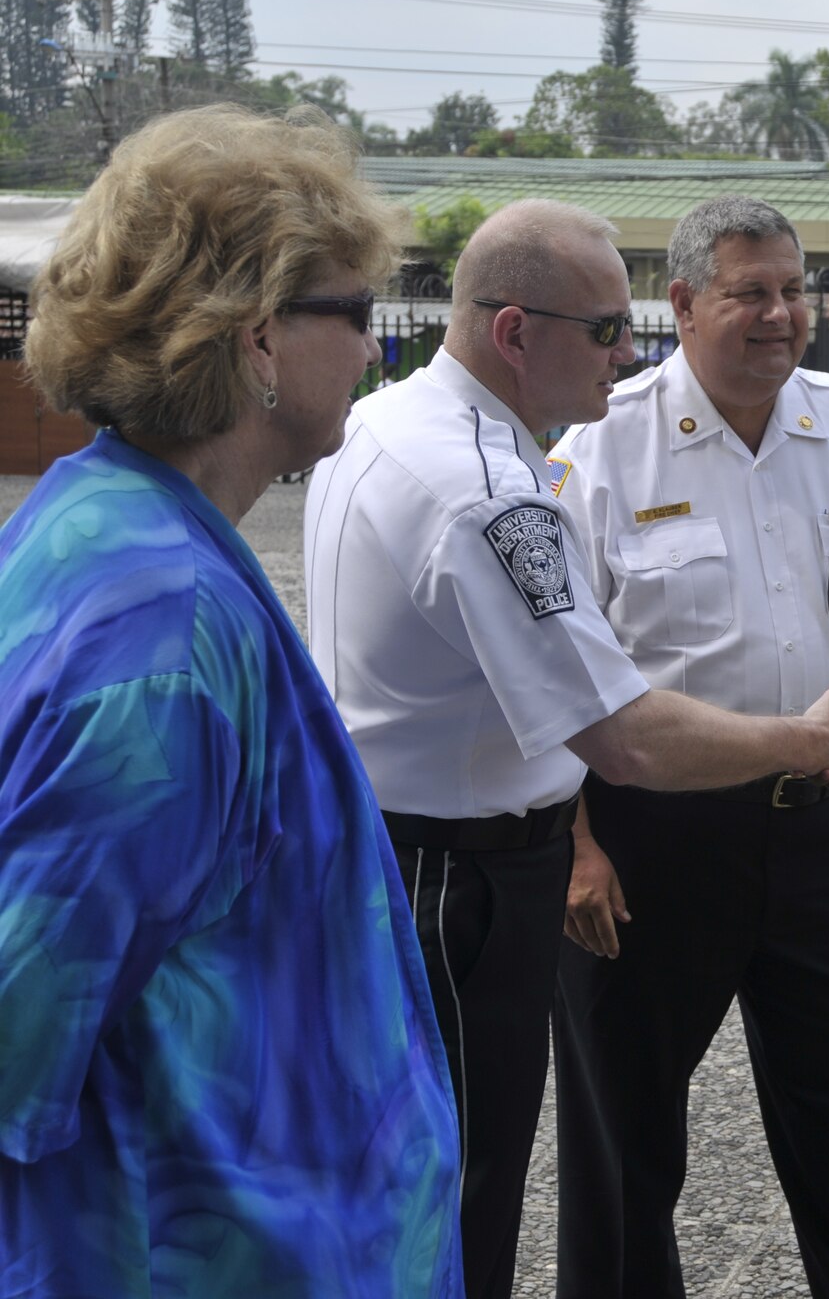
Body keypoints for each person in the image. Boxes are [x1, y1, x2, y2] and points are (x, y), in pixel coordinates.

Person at [302, 198, 829, 1299]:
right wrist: (808, 741)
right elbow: (616, 729)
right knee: (552, 1154)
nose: (622, 350)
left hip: (809, 829)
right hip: (564, 846)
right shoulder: (518, 478)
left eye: (794, 290)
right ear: (514, 330)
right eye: (605, 328)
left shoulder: (390, 423)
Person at [0, 105, 461, 1294]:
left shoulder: (110, 520)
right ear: (257, 335)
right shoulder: (163, 637)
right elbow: (20, 1022)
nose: (373, 350)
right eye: (355, 313)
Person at [547, 195, 829, 1299]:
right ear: (681, 304)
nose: (781, 315)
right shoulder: (600, 444)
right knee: (624, 1126)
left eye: (793, 289)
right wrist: (578, 845)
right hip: (653, 840)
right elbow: (542, 673)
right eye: (749, 293)